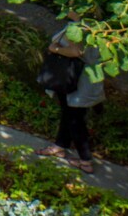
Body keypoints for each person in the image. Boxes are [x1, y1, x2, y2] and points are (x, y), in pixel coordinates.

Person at [37, 20, 105, 173]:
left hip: (74, 78)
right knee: (69, 113)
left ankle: (85, 160)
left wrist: (55, 49)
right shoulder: (96, 26)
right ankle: (60, 146)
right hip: (82, 78)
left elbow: (76, 51)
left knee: (74, 118)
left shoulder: (78, 28)